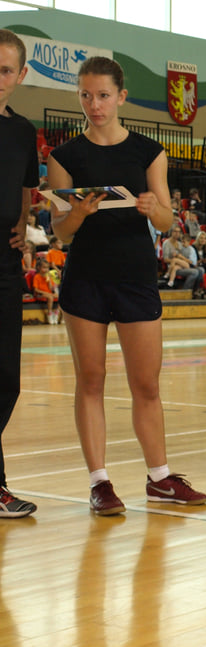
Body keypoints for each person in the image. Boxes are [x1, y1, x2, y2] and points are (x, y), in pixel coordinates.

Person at [47, 56, 206, 516]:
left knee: (146, 384)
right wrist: (78, 212)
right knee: (91, 380)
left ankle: (160, 477)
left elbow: (165, 218)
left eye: (102, 95)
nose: (93, 104)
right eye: (85, 95)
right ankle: (100, 482)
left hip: (136, 277)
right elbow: (61, 231)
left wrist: (149, 206)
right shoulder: (64, 157)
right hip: (86, 278)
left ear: (121, 96)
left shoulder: (149, 151)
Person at [0, 28, 38, 517]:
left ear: (21, 75)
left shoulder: (23, 131)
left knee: (7, 378)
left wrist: (24, 225)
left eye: (5, 69)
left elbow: (28, 186)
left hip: (5, 261)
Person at [32, 256, 59, 324]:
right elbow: (36, 290)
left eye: (47, 268)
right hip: (40, 294)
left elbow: (50, 288)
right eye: (44, 267)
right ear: (39, 268)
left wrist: (49, 280)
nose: (46, 269)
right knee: (50, 297)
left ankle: (56, 312)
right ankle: (49, 313)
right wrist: (48, 293)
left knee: (60, 297)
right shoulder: (37, 277)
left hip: (48, 293)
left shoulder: (48, 276)